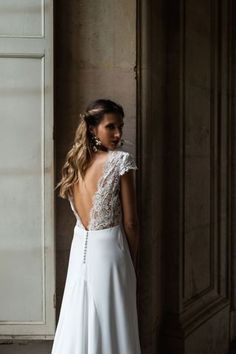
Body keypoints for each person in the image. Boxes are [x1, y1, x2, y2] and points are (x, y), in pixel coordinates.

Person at [52, 99, 141, 354]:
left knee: (78, 316)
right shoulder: (120, 161)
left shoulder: (75, 164)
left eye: (120, 127)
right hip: (111, 250)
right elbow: (131, 222)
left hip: (80, 246)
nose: (118, 134)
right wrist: (133, 260)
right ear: (93, 129)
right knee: (115, 319)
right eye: (110, 127)